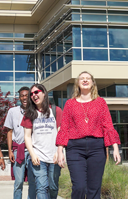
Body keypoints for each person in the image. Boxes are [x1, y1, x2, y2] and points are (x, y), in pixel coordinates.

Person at [56, 71, 121, 199]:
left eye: (88, 78)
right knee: (79, 187)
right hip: (75, 148)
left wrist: (116, 149)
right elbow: (64, 128)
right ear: (78, 84)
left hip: (97, 147)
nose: (85, 80)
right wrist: (60, 151)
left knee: (94, 188)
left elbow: (108, 125)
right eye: (82, 79)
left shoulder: (100, 102)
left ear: (92, 83)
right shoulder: (70, 103)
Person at [23, 84, 62, 199]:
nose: (34, 95)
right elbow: (27, 136)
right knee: (41, 188)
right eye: (31, 94)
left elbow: (61, 132)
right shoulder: (30, 114)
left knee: (53, 188)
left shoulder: (56, 110)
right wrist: (32, 154)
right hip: (38, 157)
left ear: (44, 93)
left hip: (54, 157)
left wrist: (59, 151)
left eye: (36, 92)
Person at [4, 86, 35, 199]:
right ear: (19, 98)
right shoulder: (12, 111)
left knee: (33, 182)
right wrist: (10, 151)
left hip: (33, 151)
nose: (24, 97)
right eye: (22, 95)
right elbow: (9, 132)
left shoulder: (35, 111)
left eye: (26, 95)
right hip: (18, 150)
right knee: (18, 182)